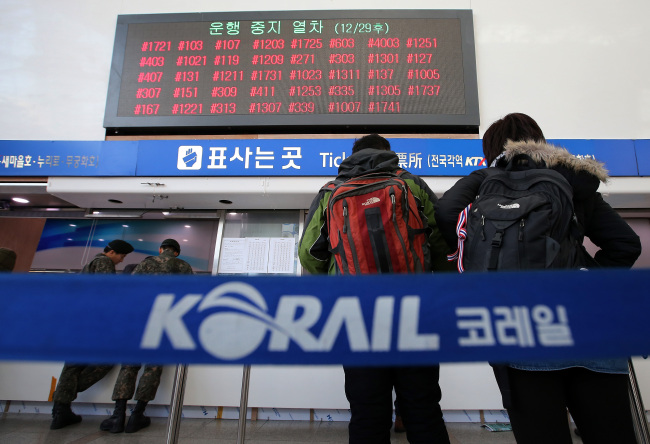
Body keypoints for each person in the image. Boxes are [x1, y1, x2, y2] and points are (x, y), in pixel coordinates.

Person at [435, 113, 642, 444]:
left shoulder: (487, 181)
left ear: (492, 151)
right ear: (539, 141)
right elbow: (626, 245)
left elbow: (446, 213)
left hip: (524, 330)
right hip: (592, 329)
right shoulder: (572, 181)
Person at [298, 134, 453, 444]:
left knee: (367, 412)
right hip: (413, 313)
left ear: (352, 154)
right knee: (423, 409)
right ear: (389, 154)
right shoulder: (411, 184)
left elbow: (308, 253)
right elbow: (441, 243)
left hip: (357, 316)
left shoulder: (331, 192)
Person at [100, 238, 193, 434]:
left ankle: (118, 416)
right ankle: (137, 415)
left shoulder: (145, 263)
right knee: (153, 368)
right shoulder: (184, 266)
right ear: (176, 252)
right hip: (165, 322)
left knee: (128, 366)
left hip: (139, 320)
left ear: (161, 250)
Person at [50, 239, 134, 430]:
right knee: (105, 361)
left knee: (72, 366)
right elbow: (106, 292)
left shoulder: (89, 265)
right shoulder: (103, 262)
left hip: (77, 321)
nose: (122, 260)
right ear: (111, 252)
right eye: (121, 255)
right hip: (91, 323)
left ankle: (60, 409)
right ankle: (63, 403)